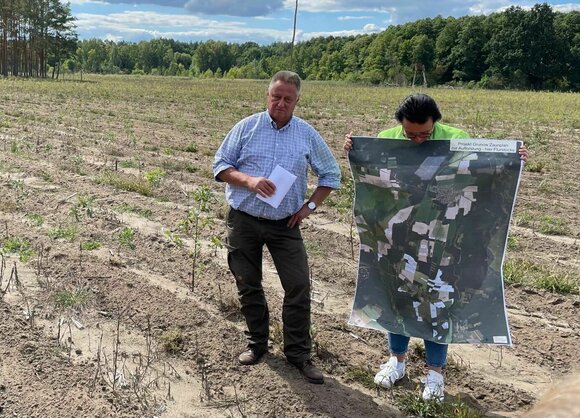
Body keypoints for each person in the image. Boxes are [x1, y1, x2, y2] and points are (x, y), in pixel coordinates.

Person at [344, 93, 528, 400]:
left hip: (444, 238)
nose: (417, 140)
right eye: (410, 134)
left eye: (424, 134)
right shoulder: (387, 139)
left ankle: (434, 375)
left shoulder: (458, 140)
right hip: (398, 237)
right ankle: (397, 362)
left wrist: (512, 158)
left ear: (436, 123)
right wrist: (355, 150)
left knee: (438, 302)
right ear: (399, 125)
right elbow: (376, 181)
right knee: (398, 298)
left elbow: (480, 174)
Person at [212, 71, 341, 384]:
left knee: (298, 285)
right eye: (276, 96)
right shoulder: (247, 127)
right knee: (248, 282)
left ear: (297, 100)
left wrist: (308, 208)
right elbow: (220, 166)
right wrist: (250, 181)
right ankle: (257, 344)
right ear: (267, 96)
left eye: (288, 98)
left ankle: (298, 355)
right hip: (243, 220)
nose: (280, 103)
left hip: (285, 225)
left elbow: (331, 175)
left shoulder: (307, 134)